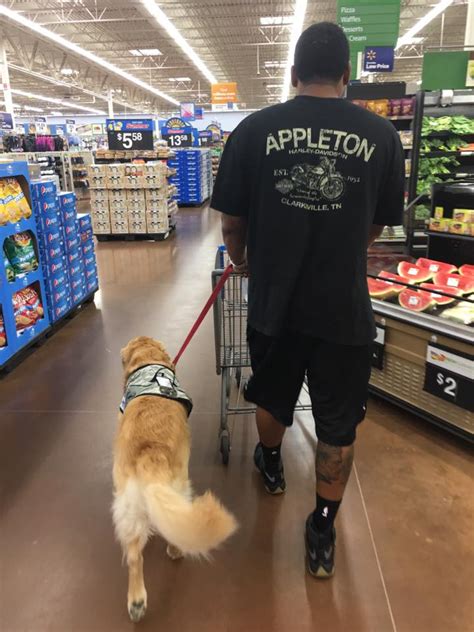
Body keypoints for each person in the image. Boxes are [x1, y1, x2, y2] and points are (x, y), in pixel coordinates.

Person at [210, 22, 404, 578]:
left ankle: (270, 463)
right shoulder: (383, 137)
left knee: (272, 396)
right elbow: (377, 226)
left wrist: (242, 260)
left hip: (275, 302)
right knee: (337, 426)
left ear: (293, 74)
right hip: (344, 309)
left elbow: (232, 223)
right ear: (347, 75)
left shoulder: (252, 131)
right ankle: (322, 529)